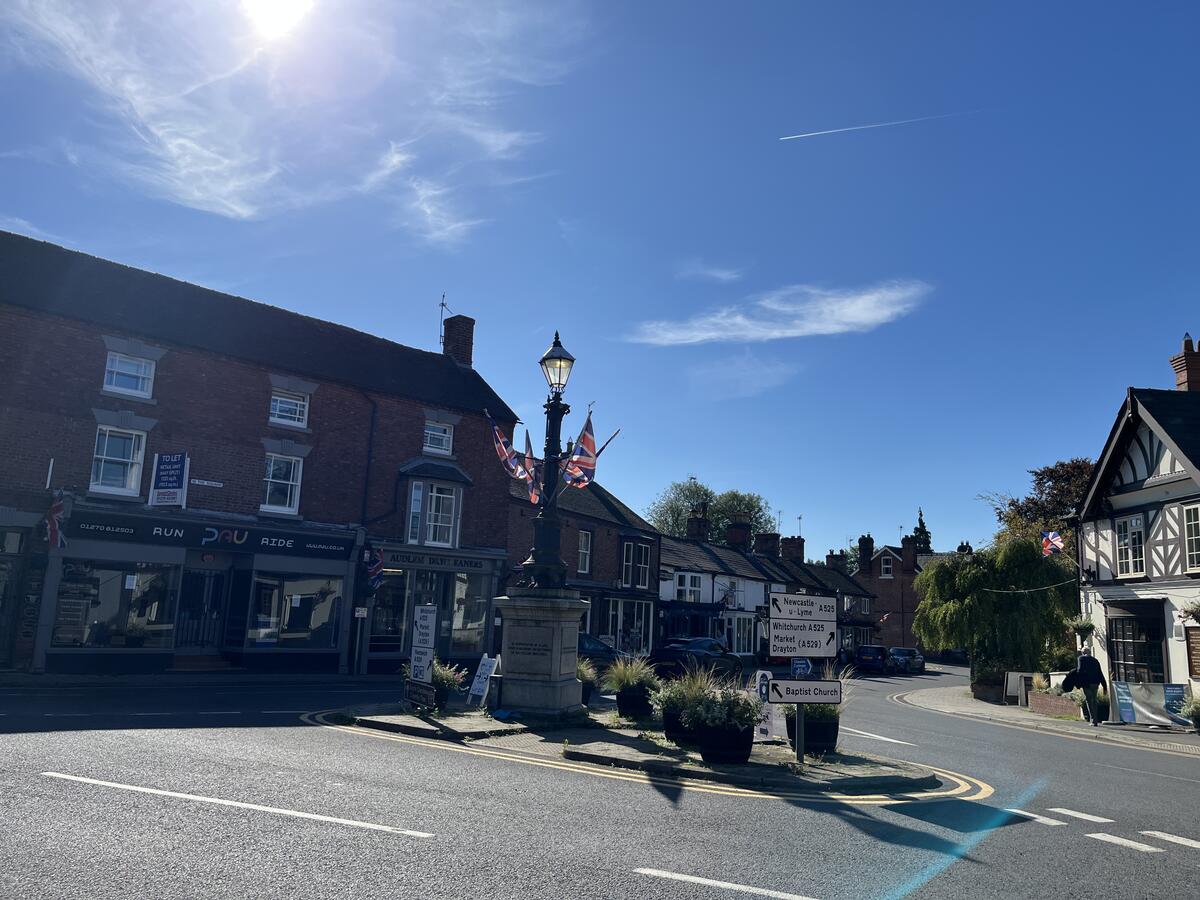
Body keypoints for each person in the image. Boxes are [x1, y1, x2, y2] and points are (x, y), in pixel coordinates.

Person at [1075, 647, 1108, 726]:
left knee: (1089, 700)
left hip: (1087, 683)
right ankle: (1095, 719)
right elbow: (1100, 672)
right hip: (1095, 683)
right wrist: (1104, 685)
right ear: (1089, 652)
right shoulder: (1095, 660)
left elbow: (1080, 670)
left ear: (1083, 653)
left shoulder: (1081, 658)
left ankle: (1093, 719)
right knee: (1094, 700)